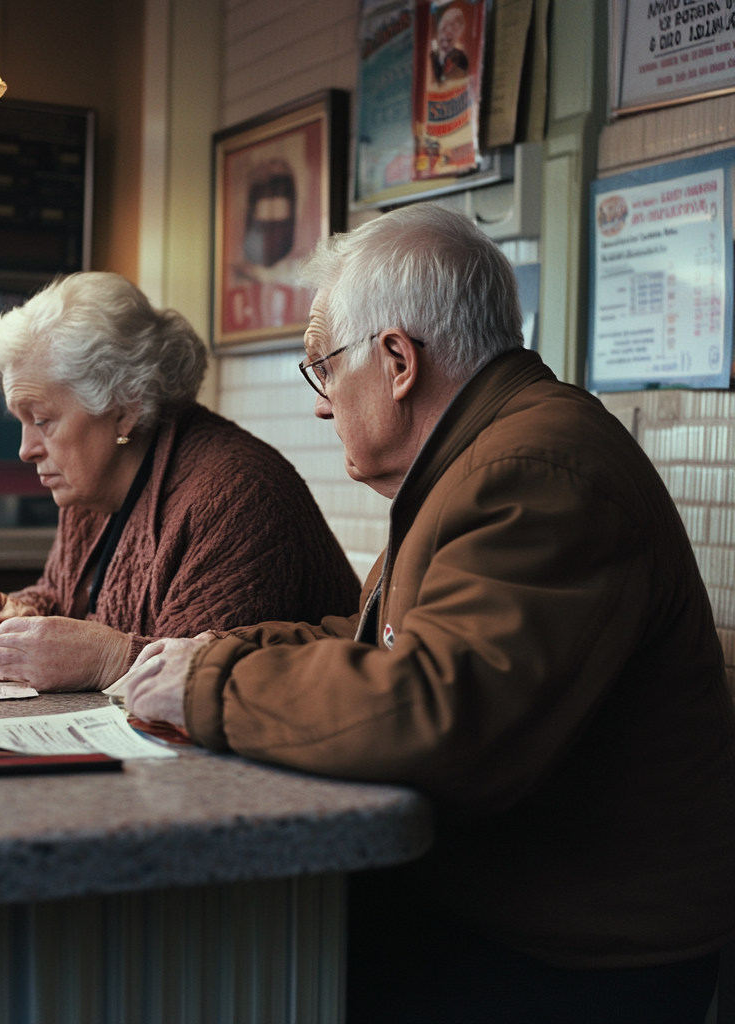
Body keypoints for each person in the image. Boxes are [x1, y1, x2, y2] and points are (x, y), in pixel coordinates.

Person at [110, 205, 735, 1022]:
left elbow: (444, 712)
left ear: (398, 361)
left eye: (323, 369)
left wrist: (212, 684)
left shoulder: (537, 469)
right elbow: (369, 641)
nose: (322, 406)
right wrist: (201, 652)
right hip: (498, 911)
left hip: (569, 956)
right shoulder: (484, 458)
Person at [0, 271, 360, 692]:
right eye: (20, 421)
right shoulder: (90, 488)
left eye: (41, 420)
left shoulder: (238, 497)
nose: (25, 450)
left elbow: (195, 684)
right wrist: (19, 613)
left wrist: (109, 659)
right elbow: (69, 598)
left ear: (125, 408)